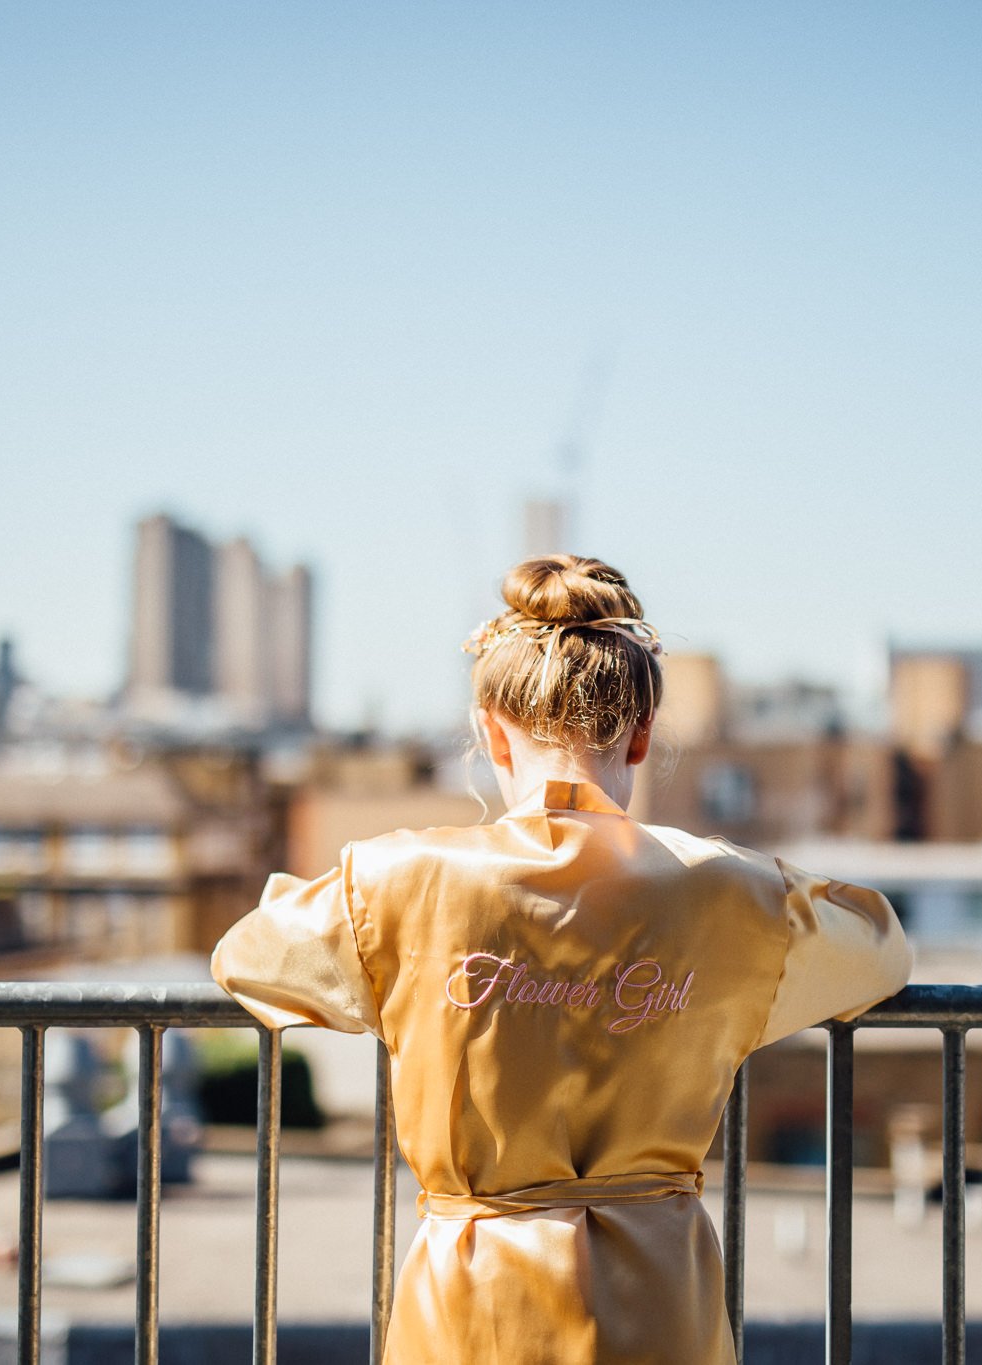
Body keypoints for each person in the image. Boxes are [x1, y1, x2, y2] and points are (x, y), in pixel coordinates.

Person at [210, 554, 913, 1364]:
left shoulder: (398, 881)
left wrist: (404, 981)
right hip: (659, 1305)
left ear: (488, 731)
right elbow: (880, 949)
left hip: (471, 1306)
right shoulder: (738, 894)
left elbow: (248, 955)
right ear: (643, 734)